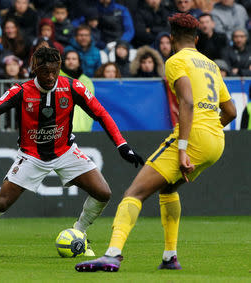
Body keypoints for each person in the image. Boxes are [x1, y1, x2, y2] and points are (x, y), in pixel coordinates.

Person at [75, 13, 237, 273]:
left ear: (172, 39)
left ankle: (112, 254)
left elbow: (187, 101)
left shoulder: (176, 61)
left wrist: (184, 148)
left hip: (191, 137)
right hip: (216, 141)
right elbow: (230, 111)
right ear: (196, 39)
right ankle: (170, 257)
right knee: (168, 191)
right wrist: (208, 132)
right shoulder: (211, 65)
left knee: (134, 193)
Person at [0, 47, 144, 259]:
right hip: (32, 155)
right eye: (45, 72)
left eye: (54, 71)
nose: (50, 77)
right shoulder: (21, 91)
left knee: (103, 192)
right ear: (34, 69)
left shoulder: (72, 87)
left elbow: (101, 113)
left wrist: (122, 145)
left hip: (66, 151)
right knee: (1, 203)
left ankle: (80, 233)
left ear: (59, 68)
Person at [60, 50, 96, 132]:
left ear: (79, 62)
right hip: (63, 131)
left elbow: (90, 103)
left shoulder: (86, 80)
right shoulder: (58, 79)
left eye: (74, 59)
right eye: (68, 59)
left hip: (84, 130)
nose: (71, 61)